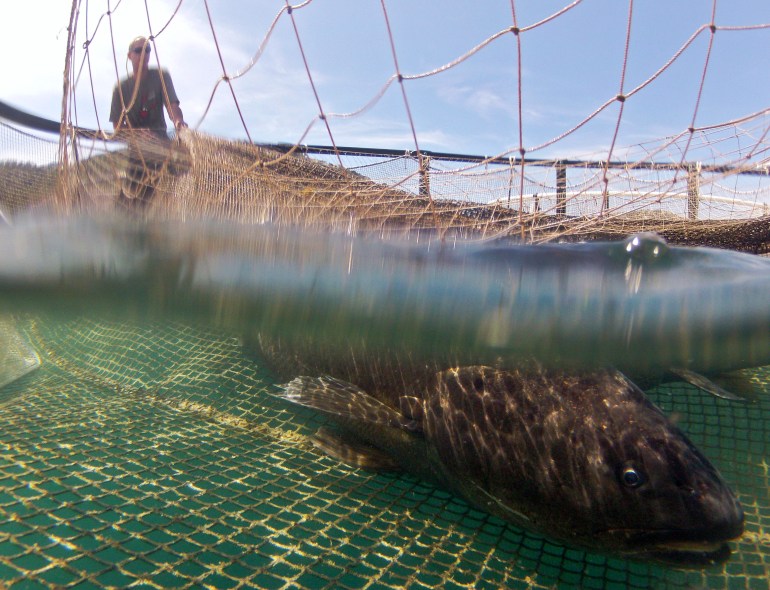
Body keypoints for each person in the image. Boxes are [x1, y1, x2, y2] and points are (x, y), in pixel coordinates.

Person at [109, 36, 187, 210]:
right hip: (137, 150)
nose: (144, 53)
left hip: (161, 144)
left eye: (147, 49)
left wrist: (179, 122)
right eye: (138, 50)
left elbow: (172, 106)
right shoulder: (121, 88)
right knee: (131, 202)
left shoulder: (160, 76)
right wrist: (138, 134)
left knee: (182, 164)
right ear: (130, 56)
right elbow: (117, 129)